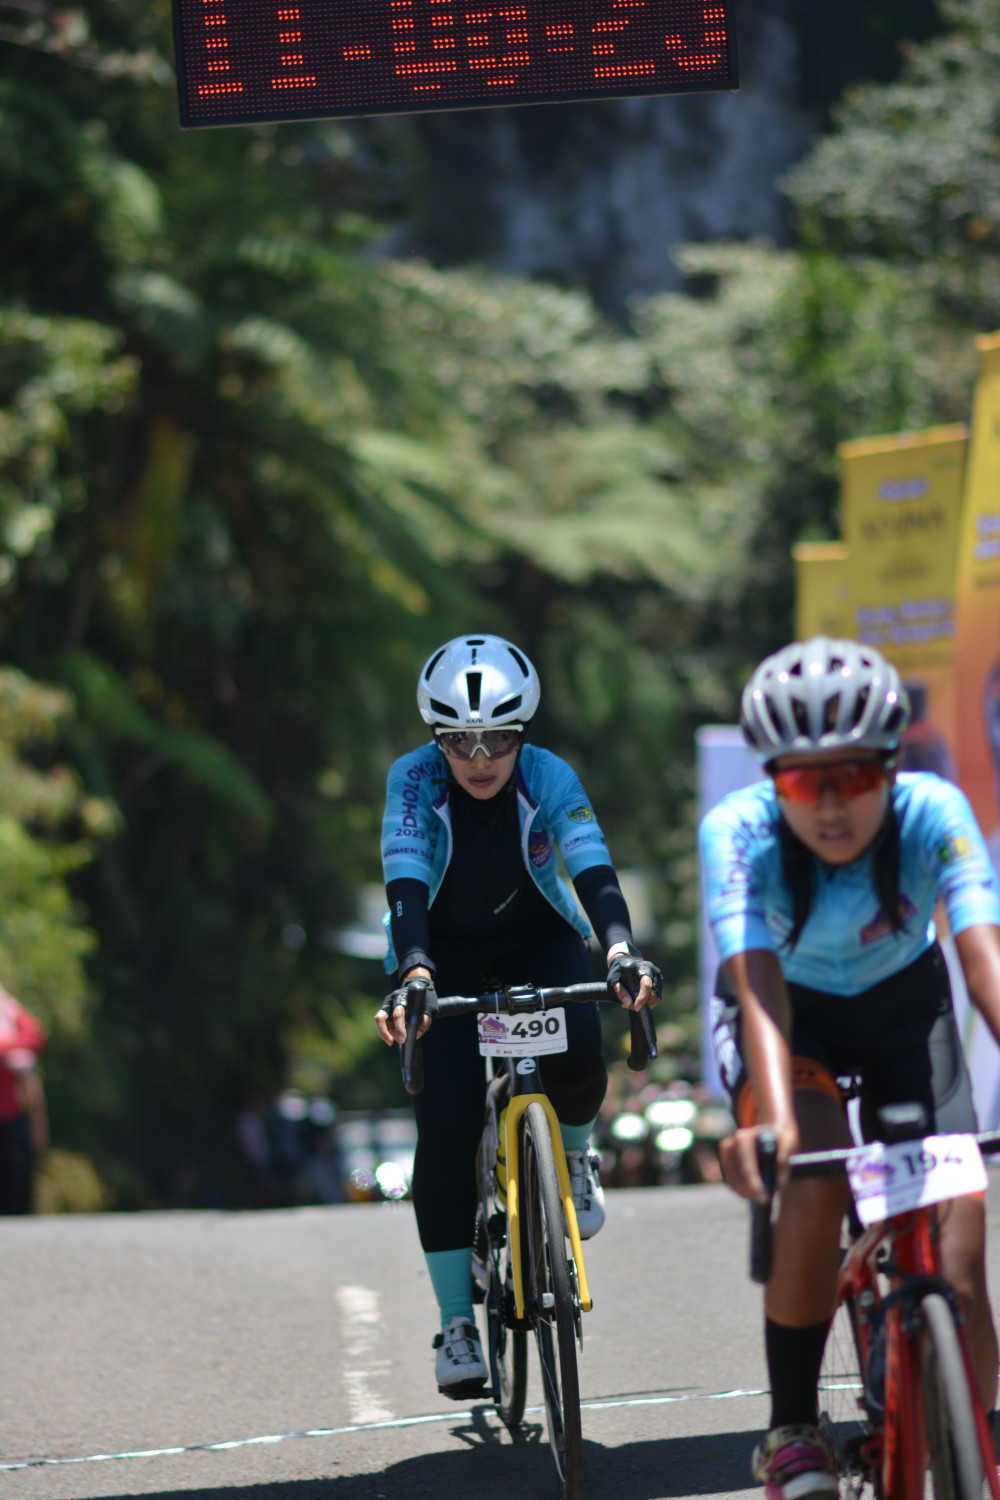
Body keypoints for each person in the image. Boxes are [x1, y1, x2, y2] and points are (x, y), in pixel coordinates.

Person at [699, 636, 1000, 1500]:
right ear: (772, 780)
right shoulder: (739, 831)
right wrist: (774, 1125)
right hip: (788, 1022)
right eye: (803, 782)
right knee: (816, 1178)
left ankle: (975, 1444)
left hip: (907, 1013)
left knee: (959, 1265)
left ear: (892, 768)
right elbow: (758, 986)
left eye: (856, 776)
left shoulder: (934, 812)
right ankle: (792, 1430)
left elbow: (981, 959)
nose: (831, 805)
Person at [375, 633, 661, 1397]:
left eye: (498, 738)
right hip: (440, 954)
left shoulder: (549, 774)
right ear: (437, 738)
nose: (480, 758)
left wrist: (620, 949)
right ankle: (457, 1323)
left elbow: (592, 867)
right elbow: (405, 882)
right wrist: (415, 969)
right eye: (460, 741)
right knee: (445, 1126)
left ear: (521, 733)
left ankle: (575, 1157)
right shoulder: (412, 779)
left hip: (537, 938)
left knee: (581, 1057)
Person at [0, 985, 48, 1215]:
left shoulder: (8, 1010)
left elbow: (35, 1036)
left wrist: (39, 1126)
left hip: (13, 1119)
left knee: (17, 1185)